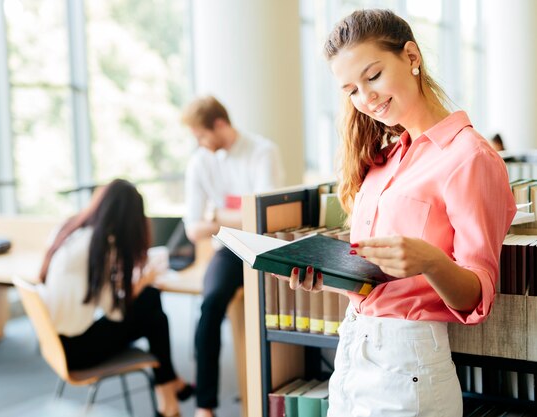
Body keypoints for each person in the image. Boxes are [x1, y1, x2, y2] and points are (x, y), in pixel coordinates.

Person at [277, 9, 516, 417]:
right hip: (353, 351)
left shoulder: (470, 157)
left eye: (373, 76)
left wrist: (430, 261)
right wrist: (330, 277)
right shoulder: (384, 160)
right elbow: (378, 286)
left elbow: (478, 297)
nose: (365, 98)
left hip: (411, 368)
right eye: (351, 89)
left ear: (410, 56)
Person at [38, 179, 193, 417]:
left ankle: (170, 394)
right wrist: (141, 282)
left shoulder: (70, 229)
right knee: (152, 306)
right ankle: (169, 392)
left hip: (55, 343)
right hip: (77, 351)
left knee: (152, 309)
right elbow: (115, 312)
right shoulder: (100, 245)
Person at [181, 95, 284, 417]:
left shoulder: (262, 152)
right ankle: (205, 406)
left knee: (271, 314)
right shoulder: (200, 161)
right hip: (227, 248)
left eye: (201, 135)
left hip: (260, 244)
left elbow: (264, 217)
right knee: (210, 305)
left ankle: (269, 395)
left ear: (220, 124)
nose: (199, 143)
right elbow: (191, 228)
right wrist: (229, 218)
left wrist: (215, 216)